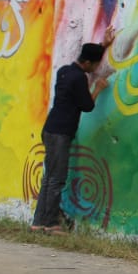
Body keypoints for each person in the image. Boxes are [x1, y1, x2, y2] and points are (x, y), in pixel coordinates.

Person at [31, 27, 115, 234]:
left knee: (49, 177)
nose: (95, 68)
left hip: (50, 128)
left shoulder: (65, 71)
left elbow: (89, 58)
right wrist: (97, 88)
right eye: (94, 65)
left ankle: (39, 221)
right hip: (61, 133)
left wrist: (103, 46)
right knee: (57, 178)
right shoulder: (79, 79)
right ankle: (50, 223)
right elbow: (87, 106)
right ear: (87, 64)